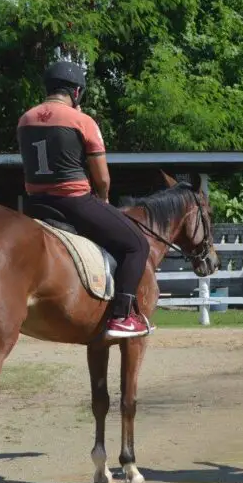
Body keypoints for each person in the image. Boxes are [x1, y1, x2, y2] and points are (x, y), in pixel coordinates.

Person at [19, 60, 150, 339]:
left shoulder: (25, 119)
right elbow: (102, 178)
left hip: (35, 204)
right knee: (137, 244)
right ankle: (122, 316)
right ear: (76, 92)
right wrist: (102, 200)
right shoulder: (82, 121)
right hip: (74, 202)